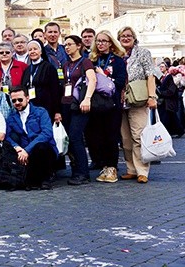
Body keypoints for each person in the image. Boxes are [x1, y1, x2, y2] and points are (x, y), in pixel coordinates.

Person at [118, 26, 157, 183]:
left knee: (138, 136)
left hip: (138, 99)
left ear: (134, 38)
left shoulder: (143, 53)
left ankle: (142, 170)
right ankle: (131, 169)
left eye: (129, 35)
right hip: (121, 101)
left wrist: (152, 96)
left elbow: (150, 75)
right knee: (125, 139)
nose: (126, 38)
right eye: (122, 36)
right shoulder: (117, 55)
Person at [88, 30, 127, 183]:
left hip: (112, 104)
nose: (101, 44)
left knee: (111, 136)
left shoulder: (117, 61)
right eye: (98, 41)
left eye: (104, 41)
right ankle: (103, 164)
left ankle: (112, 167)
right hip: (96, 105)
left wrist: (103, 76)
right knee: (97, 136)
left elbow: (120, 81)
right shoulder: (91, 60)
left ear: (111, 43)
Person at [5, 87, 58, 190]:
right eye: (14, 101)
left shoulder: (41, 112)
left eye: (20, 100)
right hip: (24, 154)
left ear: (28, 98)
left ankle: (46, 179)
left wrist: (27, 150)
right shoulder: (11, 117)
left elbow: (47, 133)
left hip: (44, 151)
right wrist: (17, 148)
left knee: (40, 147)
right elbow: (6, 136)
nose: (17, 103)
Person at [60, 35, 96, 185]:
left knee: (76, 137)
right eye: (65, 45)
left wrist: (87, 98)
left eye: (70, 44)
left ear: (79, 45)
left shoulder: (85, 62)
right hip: (66, 104)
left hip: (80, 104)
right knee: (69, 138)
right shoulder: (66, 64)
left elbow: (92, 80)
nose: (67, 47)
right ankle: (76, 171)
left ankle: (83, 173)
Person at [21, 40, 61, 123]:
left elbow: (55, 90)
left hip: (47, 106)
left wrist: (57, 111)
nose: (32, 52)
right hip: (31, 107)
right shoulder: (27, 70)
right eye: (30, 50)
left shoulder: (49, 67)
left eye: (35, 49)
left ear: (41, 51)